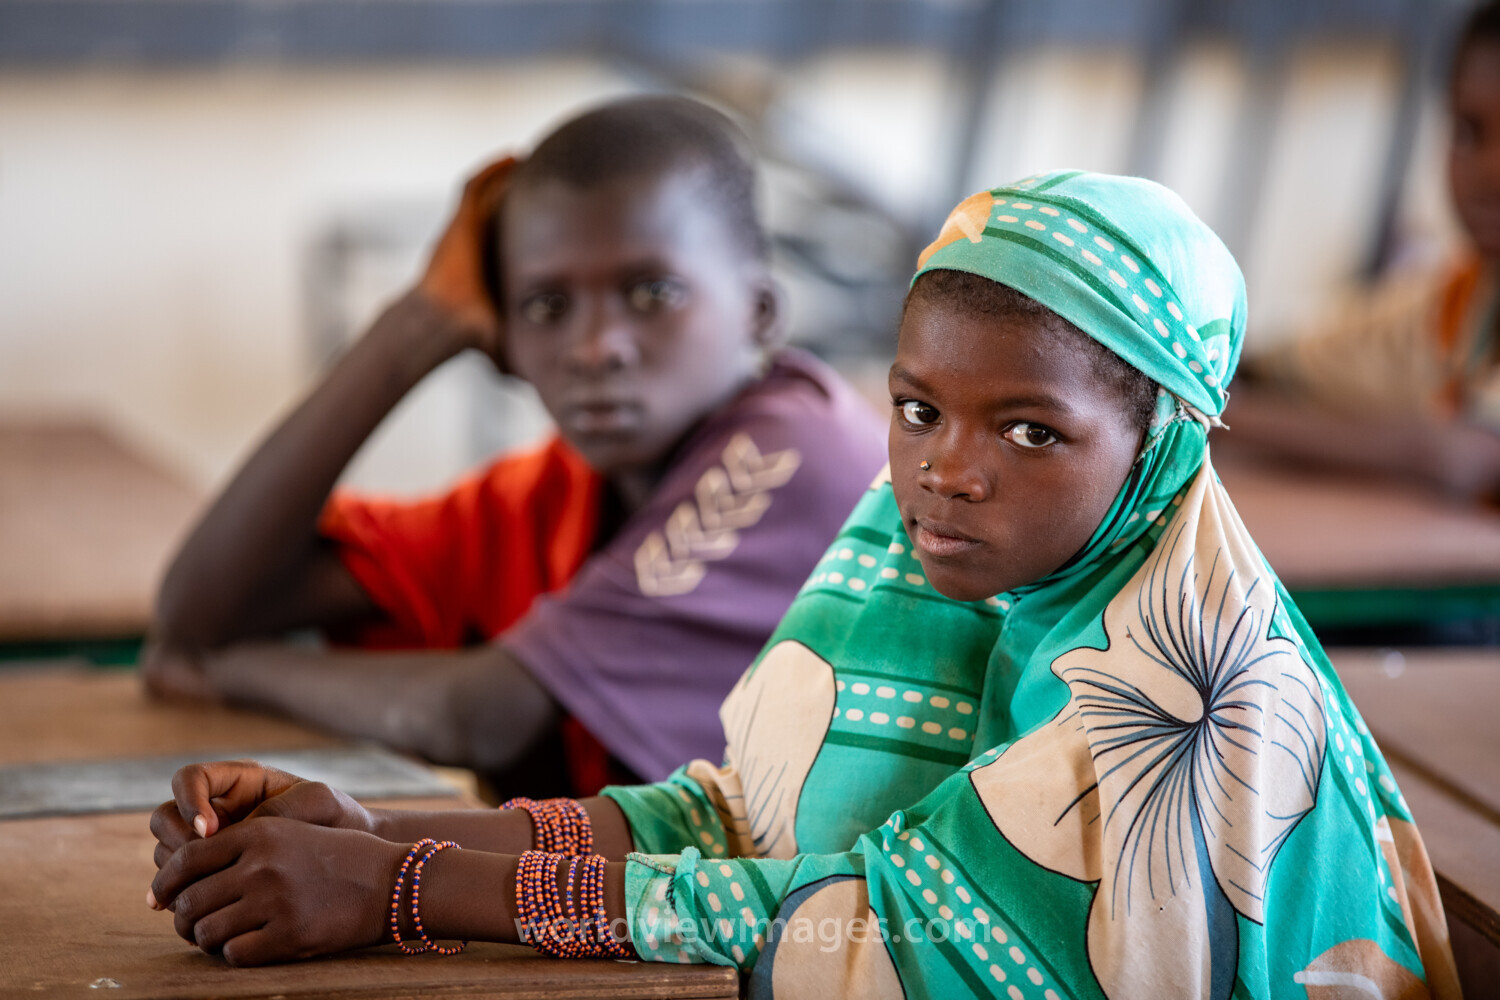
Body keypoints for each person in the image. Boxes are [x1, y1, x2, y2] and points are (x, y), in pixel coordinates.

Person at [147, 171, 1460, 999]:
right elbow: (743, 822)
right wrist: (371, 837)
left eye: (1031, 431)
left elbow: (871, 924)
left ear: (1162, 445)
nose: (947, 471)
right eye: (919, 409)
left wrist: (405, 889)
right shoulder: (935, 564)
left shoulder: (1185, 701)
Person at [141, 95, 887, 796]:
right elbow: (201, 611)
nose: (594, 347)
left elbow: (478, 715)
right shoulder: (544, 497)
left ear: (761, 312)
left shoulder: (791, 451)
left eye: (652, 293)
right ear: (501, 337)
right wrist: (420, 323)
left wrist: (225, 674)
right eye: (546, 305)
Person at [1224, 0, 1500, 502]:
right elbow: (1292, 362)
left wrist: (1218, 415)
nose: (1489, 172)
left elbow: (1469, 457)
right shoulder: (1454, 305)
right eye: (1468, 132)